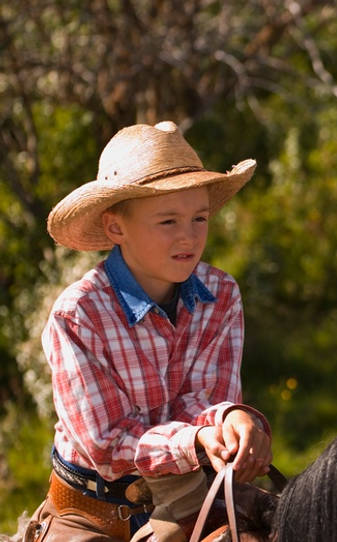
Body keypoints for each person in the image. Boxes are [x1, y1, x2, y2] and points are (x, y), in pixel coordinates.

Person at [26, 121, 272, 542]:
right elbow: (106, 445)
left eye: (199, 218)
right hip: (92, 508)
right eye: (168, 221)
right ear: (116, 228)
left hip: (188, 488)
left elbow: (206, 398)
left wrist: (231, 418)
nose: (189, 236)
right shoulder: (78, 314)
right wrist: (197, 439)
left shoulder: (222, 294)